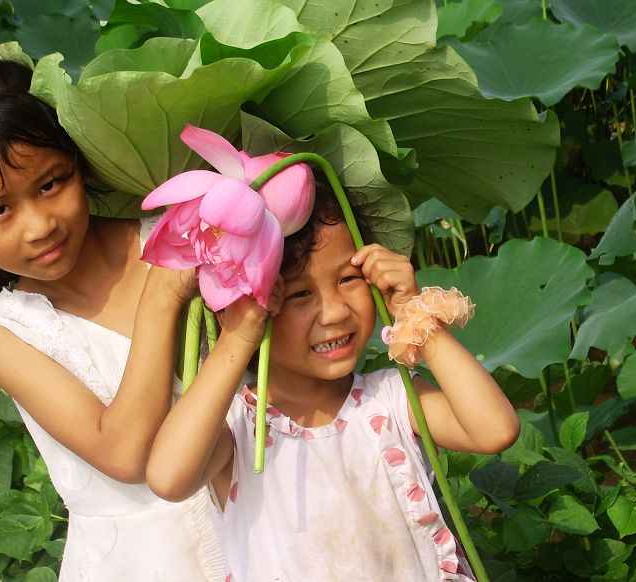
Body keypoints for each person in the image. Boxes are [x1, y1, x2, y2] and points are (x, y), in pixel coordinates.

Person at [0, 56, 224, 581]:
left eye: (51, 184)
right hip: (147, 564)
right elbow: (123, 453)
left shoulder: (177, 235)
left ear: (80, 162)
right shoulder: (1, 333)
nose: (38, 226)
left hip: (268, 509)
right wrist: (162, 302)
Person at [146, 184, 521, 581]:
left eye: (348, 279)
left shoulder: (389, 399)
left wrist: (417, 316)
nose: (334, 312)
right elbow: (169, 478)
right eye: (300, 293)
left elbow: (495, 430)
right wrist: (236, 336)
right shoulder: (239, 429)